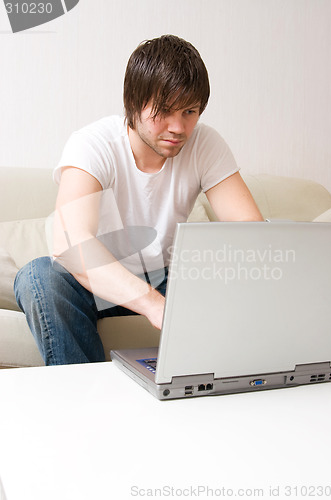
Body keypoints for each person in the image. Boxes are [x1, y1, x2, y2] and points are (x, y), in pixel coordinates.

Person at [14, 34, 263, 365]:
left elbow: (251, 231)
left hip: (165, 273)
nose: (179, 127)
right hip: (94, 281)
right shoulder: (93, 144)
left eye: (190, 111)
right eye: (164, 111)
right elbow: (72, 246)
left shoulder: (204, 143)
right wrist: (152, 304)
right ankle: (83, 404)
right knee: (41, 276)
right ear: (133, 102)